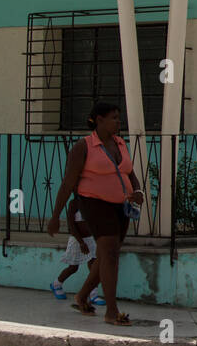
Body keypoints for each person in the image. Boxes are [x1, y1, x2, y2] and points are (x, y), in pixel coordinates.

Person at [47, 101, 144, 326]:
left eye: (119, 118)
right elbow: (68, 182)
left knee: (106, 256)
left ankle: (82, 296)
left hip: (121, 206)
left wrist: (137, 190)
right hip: (94, 203)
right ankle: (112, 311)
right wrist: (55, 216)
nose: (119, 122)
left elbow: (129, 173)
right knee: (109, 252)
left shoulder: (120, 144)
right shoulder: (84, 146)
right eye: (114, 118)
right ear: (98, 120)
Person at [50, 196, 105, 307]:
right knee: (73, 267)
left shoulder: (92, 202)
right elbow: (72, 225)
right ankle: (56, 284)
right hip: (77, 240)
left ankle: (93, 294)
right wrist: (81, 242)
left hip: (91, 239)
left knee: (94, 266)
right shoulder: (74, 203)